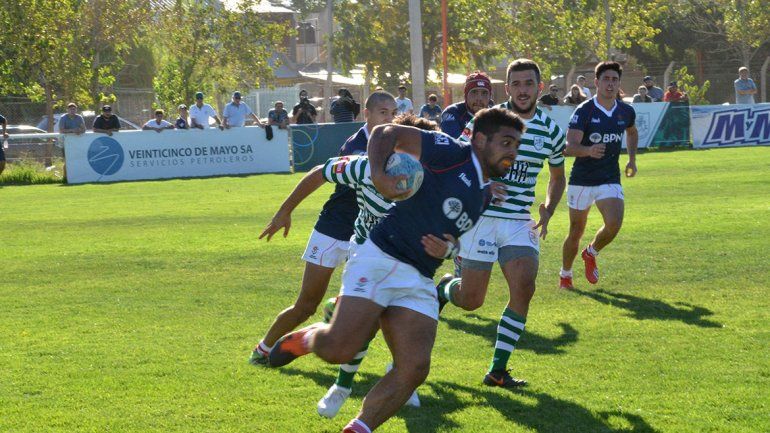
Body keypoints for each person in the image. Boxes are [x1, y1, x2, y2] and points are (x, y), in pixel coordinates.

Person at [268, 107, 525, 433]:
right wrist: (379, 175)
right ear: (480, 140)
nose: (512, 153)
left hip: (419, 277)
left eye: (516, 145)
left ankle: (359, 428)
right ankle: (308, 338)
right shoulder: (451, 152)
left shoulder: (483, 194)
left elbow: (450, 238)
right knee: (338, 350)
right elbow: (384, 133)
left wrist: (449, 250)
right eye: (506, 143)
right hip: (382, 257)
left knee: (414, 368)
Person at [255, 114, 439, 418]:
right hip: (366, 253)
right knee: (370, 322)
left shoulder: (436, 183)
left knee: (403, 324)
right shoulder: (366, 167)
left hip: (410, 261)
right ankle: (341, 385)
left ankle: (395, 374)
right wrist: (284, 211)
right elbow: (319, 172)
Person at [438, 58, 566, 388]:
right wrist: (481, 186)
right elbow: (458, 157)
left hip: (519, 220)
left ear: (539, 87)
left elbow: (557, 175)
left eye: (529, 84)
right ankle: (444, 288)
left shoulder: (551, 131)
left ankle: (497, 371)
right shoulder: (486, 121)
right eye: (516, 84)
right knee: (471, 301)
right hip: (480, 217)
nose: (523, 90)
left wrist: (549, 207)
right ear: (506, 88)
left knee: (524, 286)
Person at [248, 91, 398, 367]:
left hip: (367, 237)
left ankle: (396, 367)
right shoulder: (358, 147)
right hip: (334, 229)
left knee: (378, 305)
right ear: (367, 114)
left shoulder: (395, 143)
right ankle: (263, 349)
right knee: (306, 305)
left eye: (393, 113)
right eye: (383, 113)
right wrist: (284, 211)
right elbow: (318, 173)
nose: (390, 119)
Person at [559, 61, 638, 290]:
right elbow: (568, 147)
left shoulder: (626, 111)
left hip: (609, 178)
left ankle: (591, 252)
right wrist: (588, 151)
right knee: (576, 231)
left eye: (614, 80)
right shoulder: (584, 111)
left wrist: (632, 159)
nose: (610, 84)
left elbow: (632, 132)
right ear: (596, 82)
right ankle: (565, 275)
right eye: (606, 79)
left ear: (619, 83)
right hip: (582, 179)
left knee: (614, 223)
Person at [440, 71, 492, 138]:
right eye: (474, 92)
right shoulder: (452, 112)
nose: (479, 98)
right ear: (466, 95)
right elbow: (455, 143)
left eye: (484, 93)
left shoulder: (497, 115)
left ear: (490, 96)